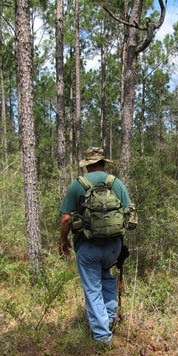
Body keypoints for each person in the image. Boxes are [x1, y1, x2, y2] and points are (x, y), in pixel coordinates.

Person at [60, 147, 133, 345]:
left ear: (87, 165)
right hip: (113, 248)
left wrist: (63, 240)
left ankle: (102, 338)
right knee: (106, 278)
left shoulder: (78, 185)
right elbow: (129, 214)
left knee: (93, 289)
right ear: (103, 163)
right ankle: (109, 318)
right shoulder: (116, 183)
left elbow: (66, 218)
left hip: (88, 247)